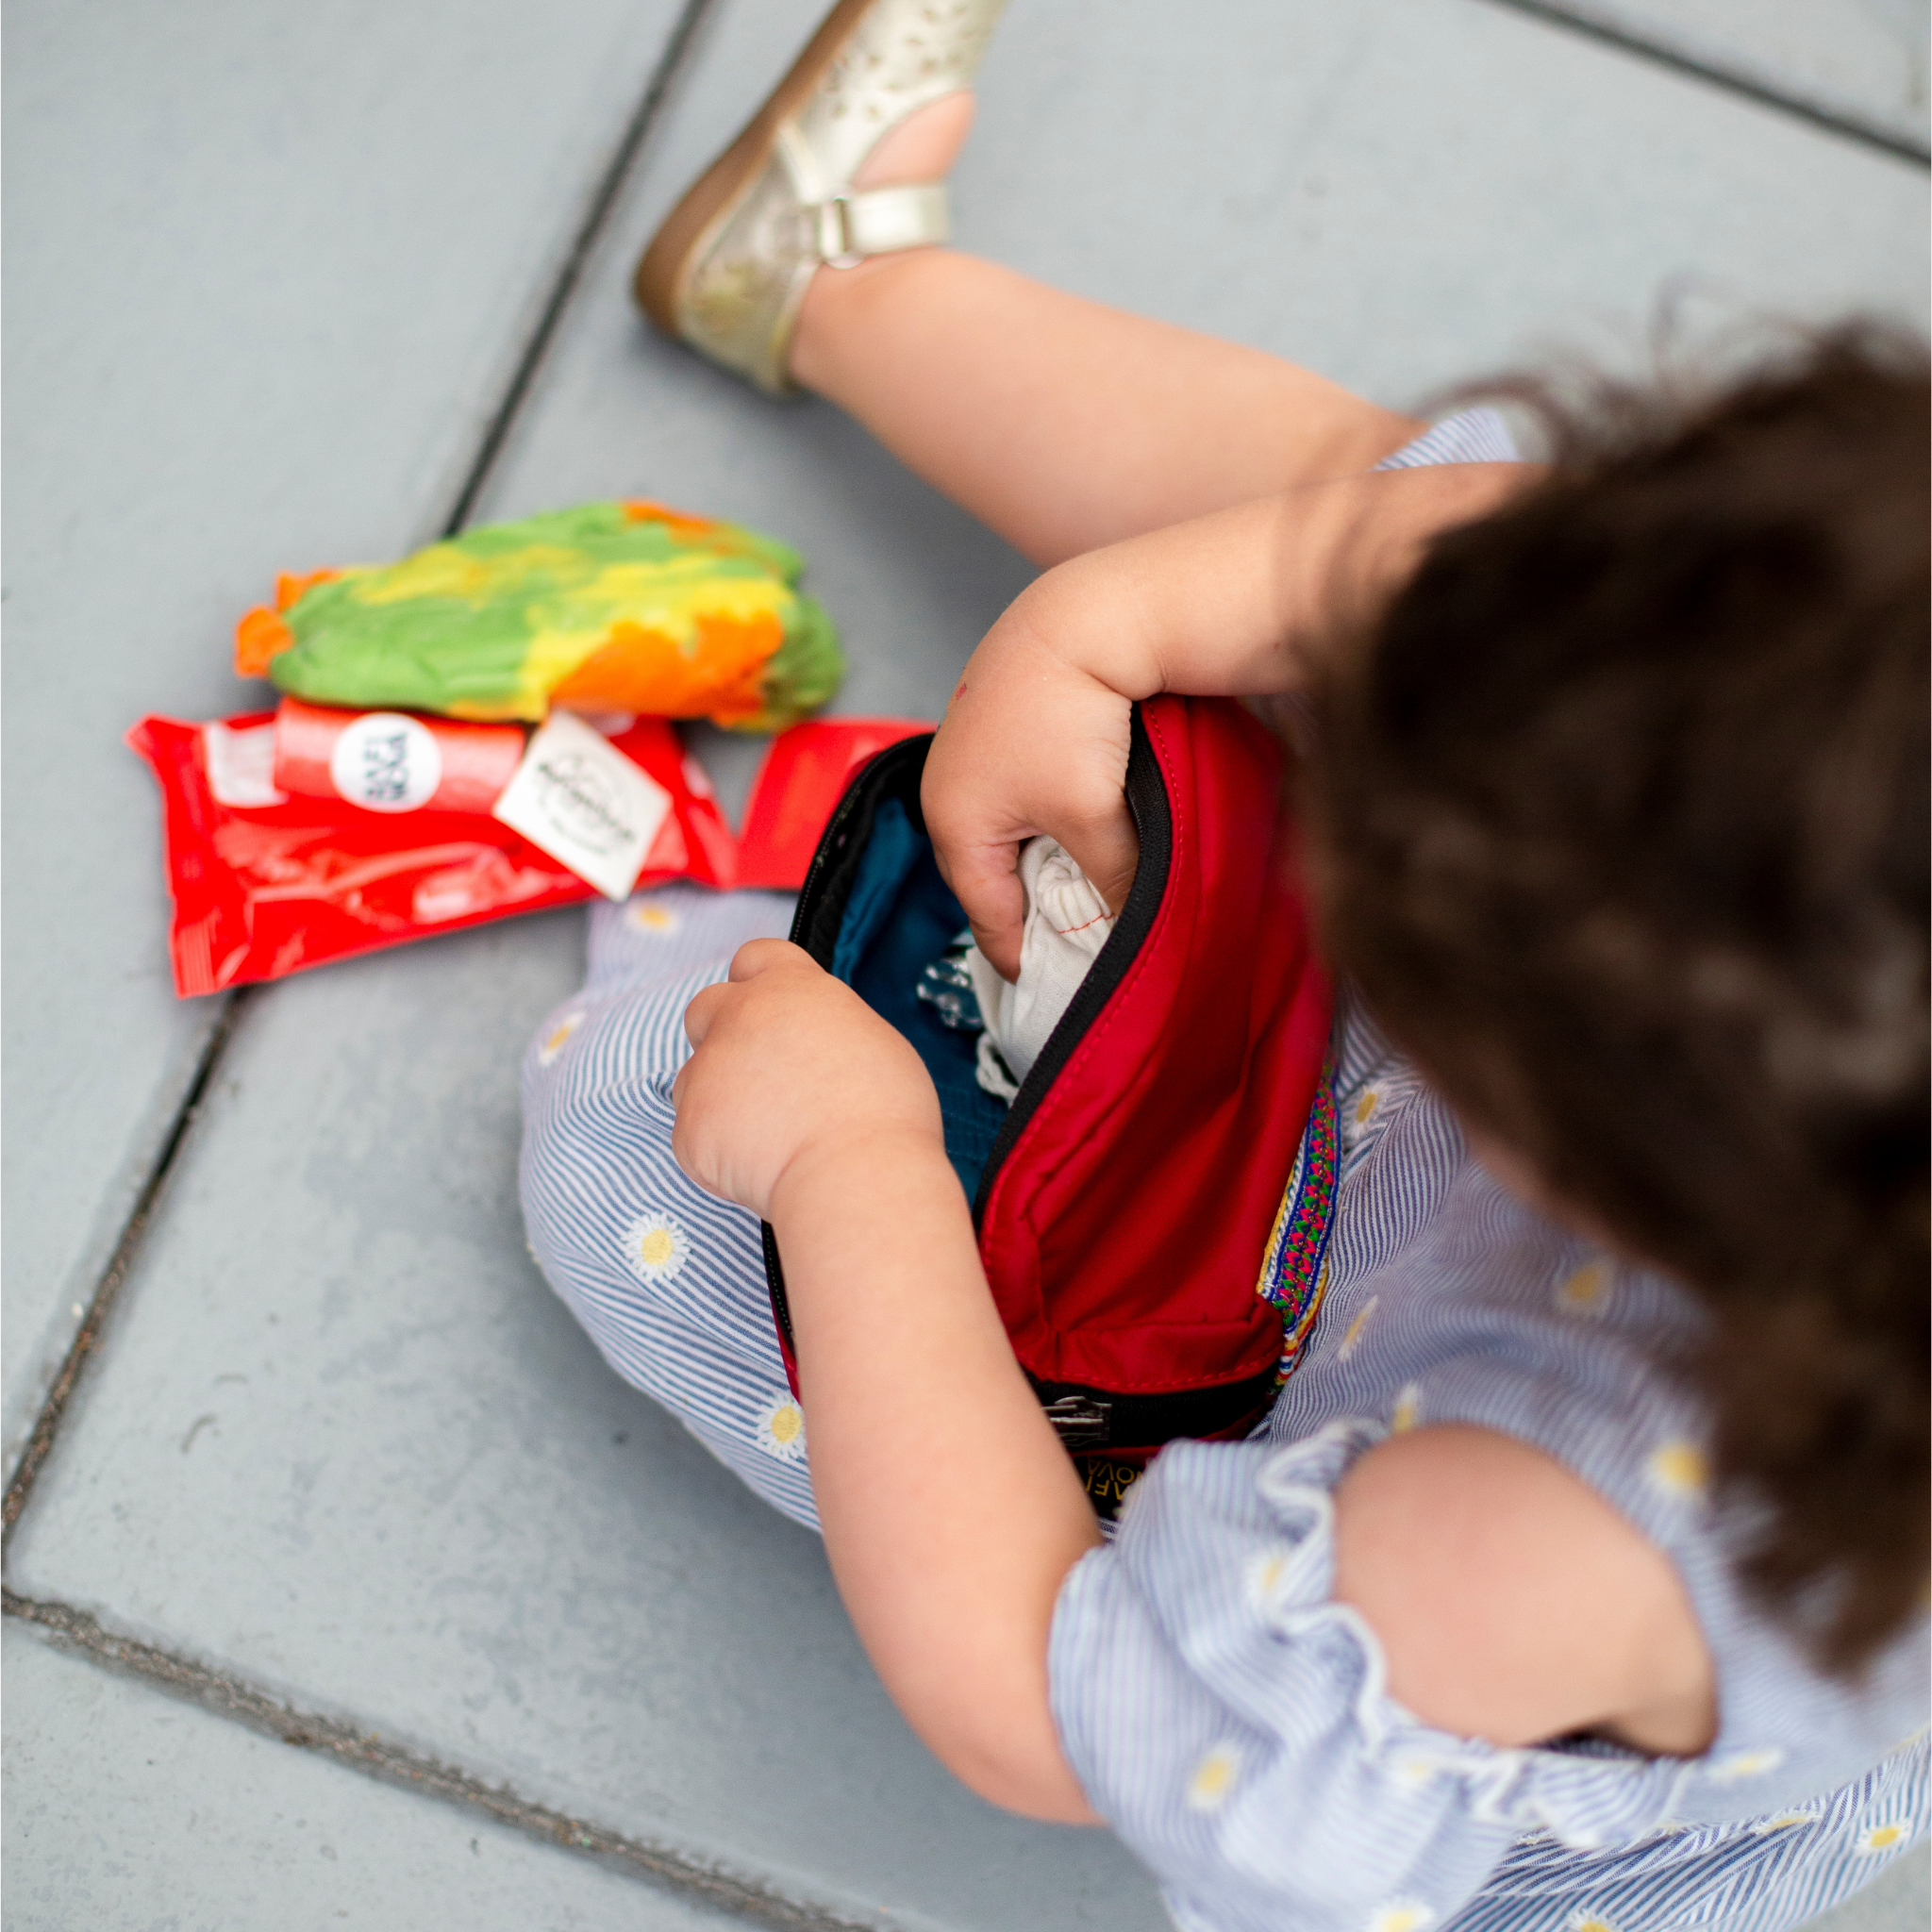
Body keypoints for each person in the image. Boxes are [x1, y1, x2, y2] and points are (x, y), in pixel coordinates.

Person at [521, 4, 1930, 1926]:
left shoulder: (1536, 1536)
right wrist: (1100, 627)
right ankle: (830, 283)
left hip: (1341, 1419)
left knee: (631, 1135)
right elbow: (1475, 541)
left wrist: (857, 1164)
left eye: (1440, 939)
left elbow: (1037, 1692)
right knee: (1381, 517)